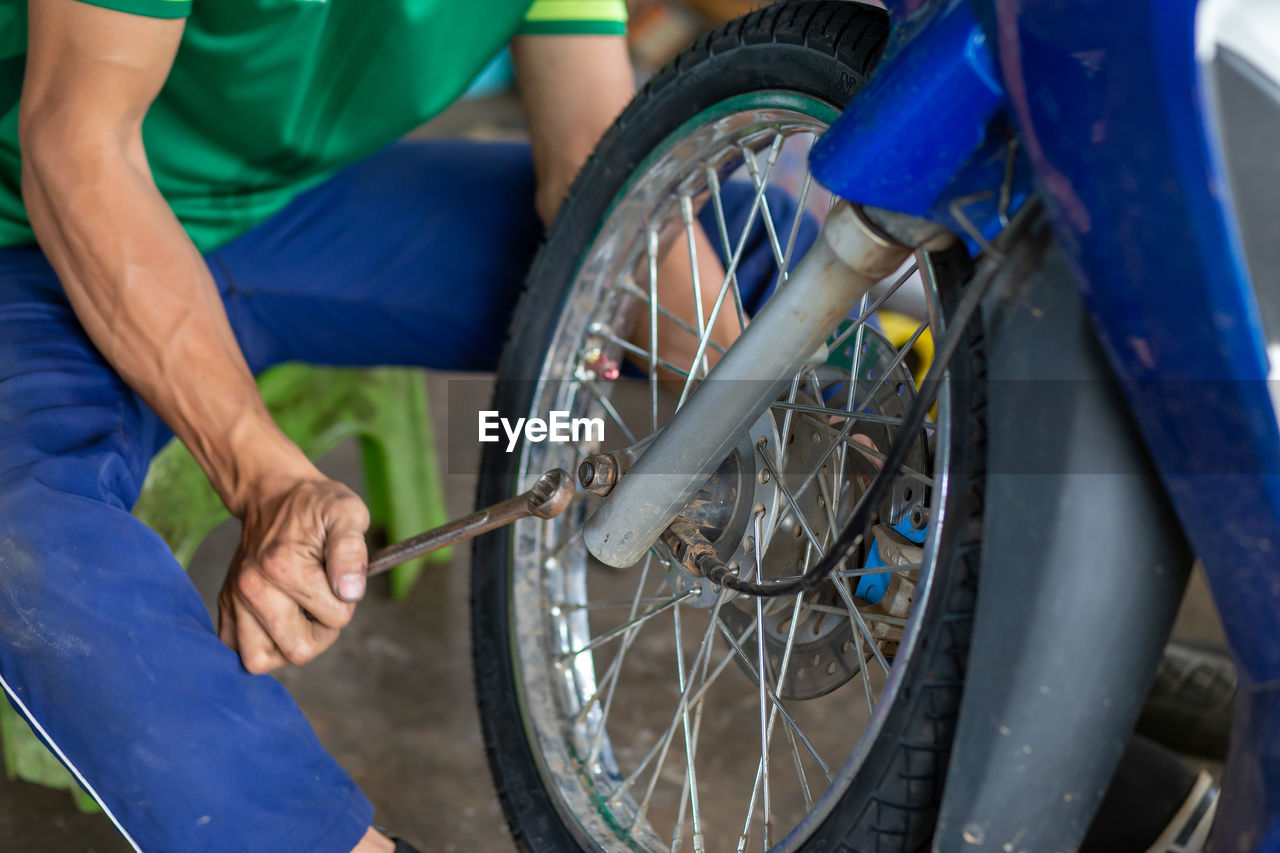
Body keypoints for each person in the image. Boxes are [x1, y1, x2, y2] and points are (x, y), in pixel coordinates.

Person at [0, 0, 767, 849]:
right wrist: (266, 475)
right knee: (25, 530)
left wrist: (748, 389)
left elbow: (591, 166)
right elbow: (80, 146)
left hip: (288, 209)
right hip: (38, 231)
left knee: (760, 246)